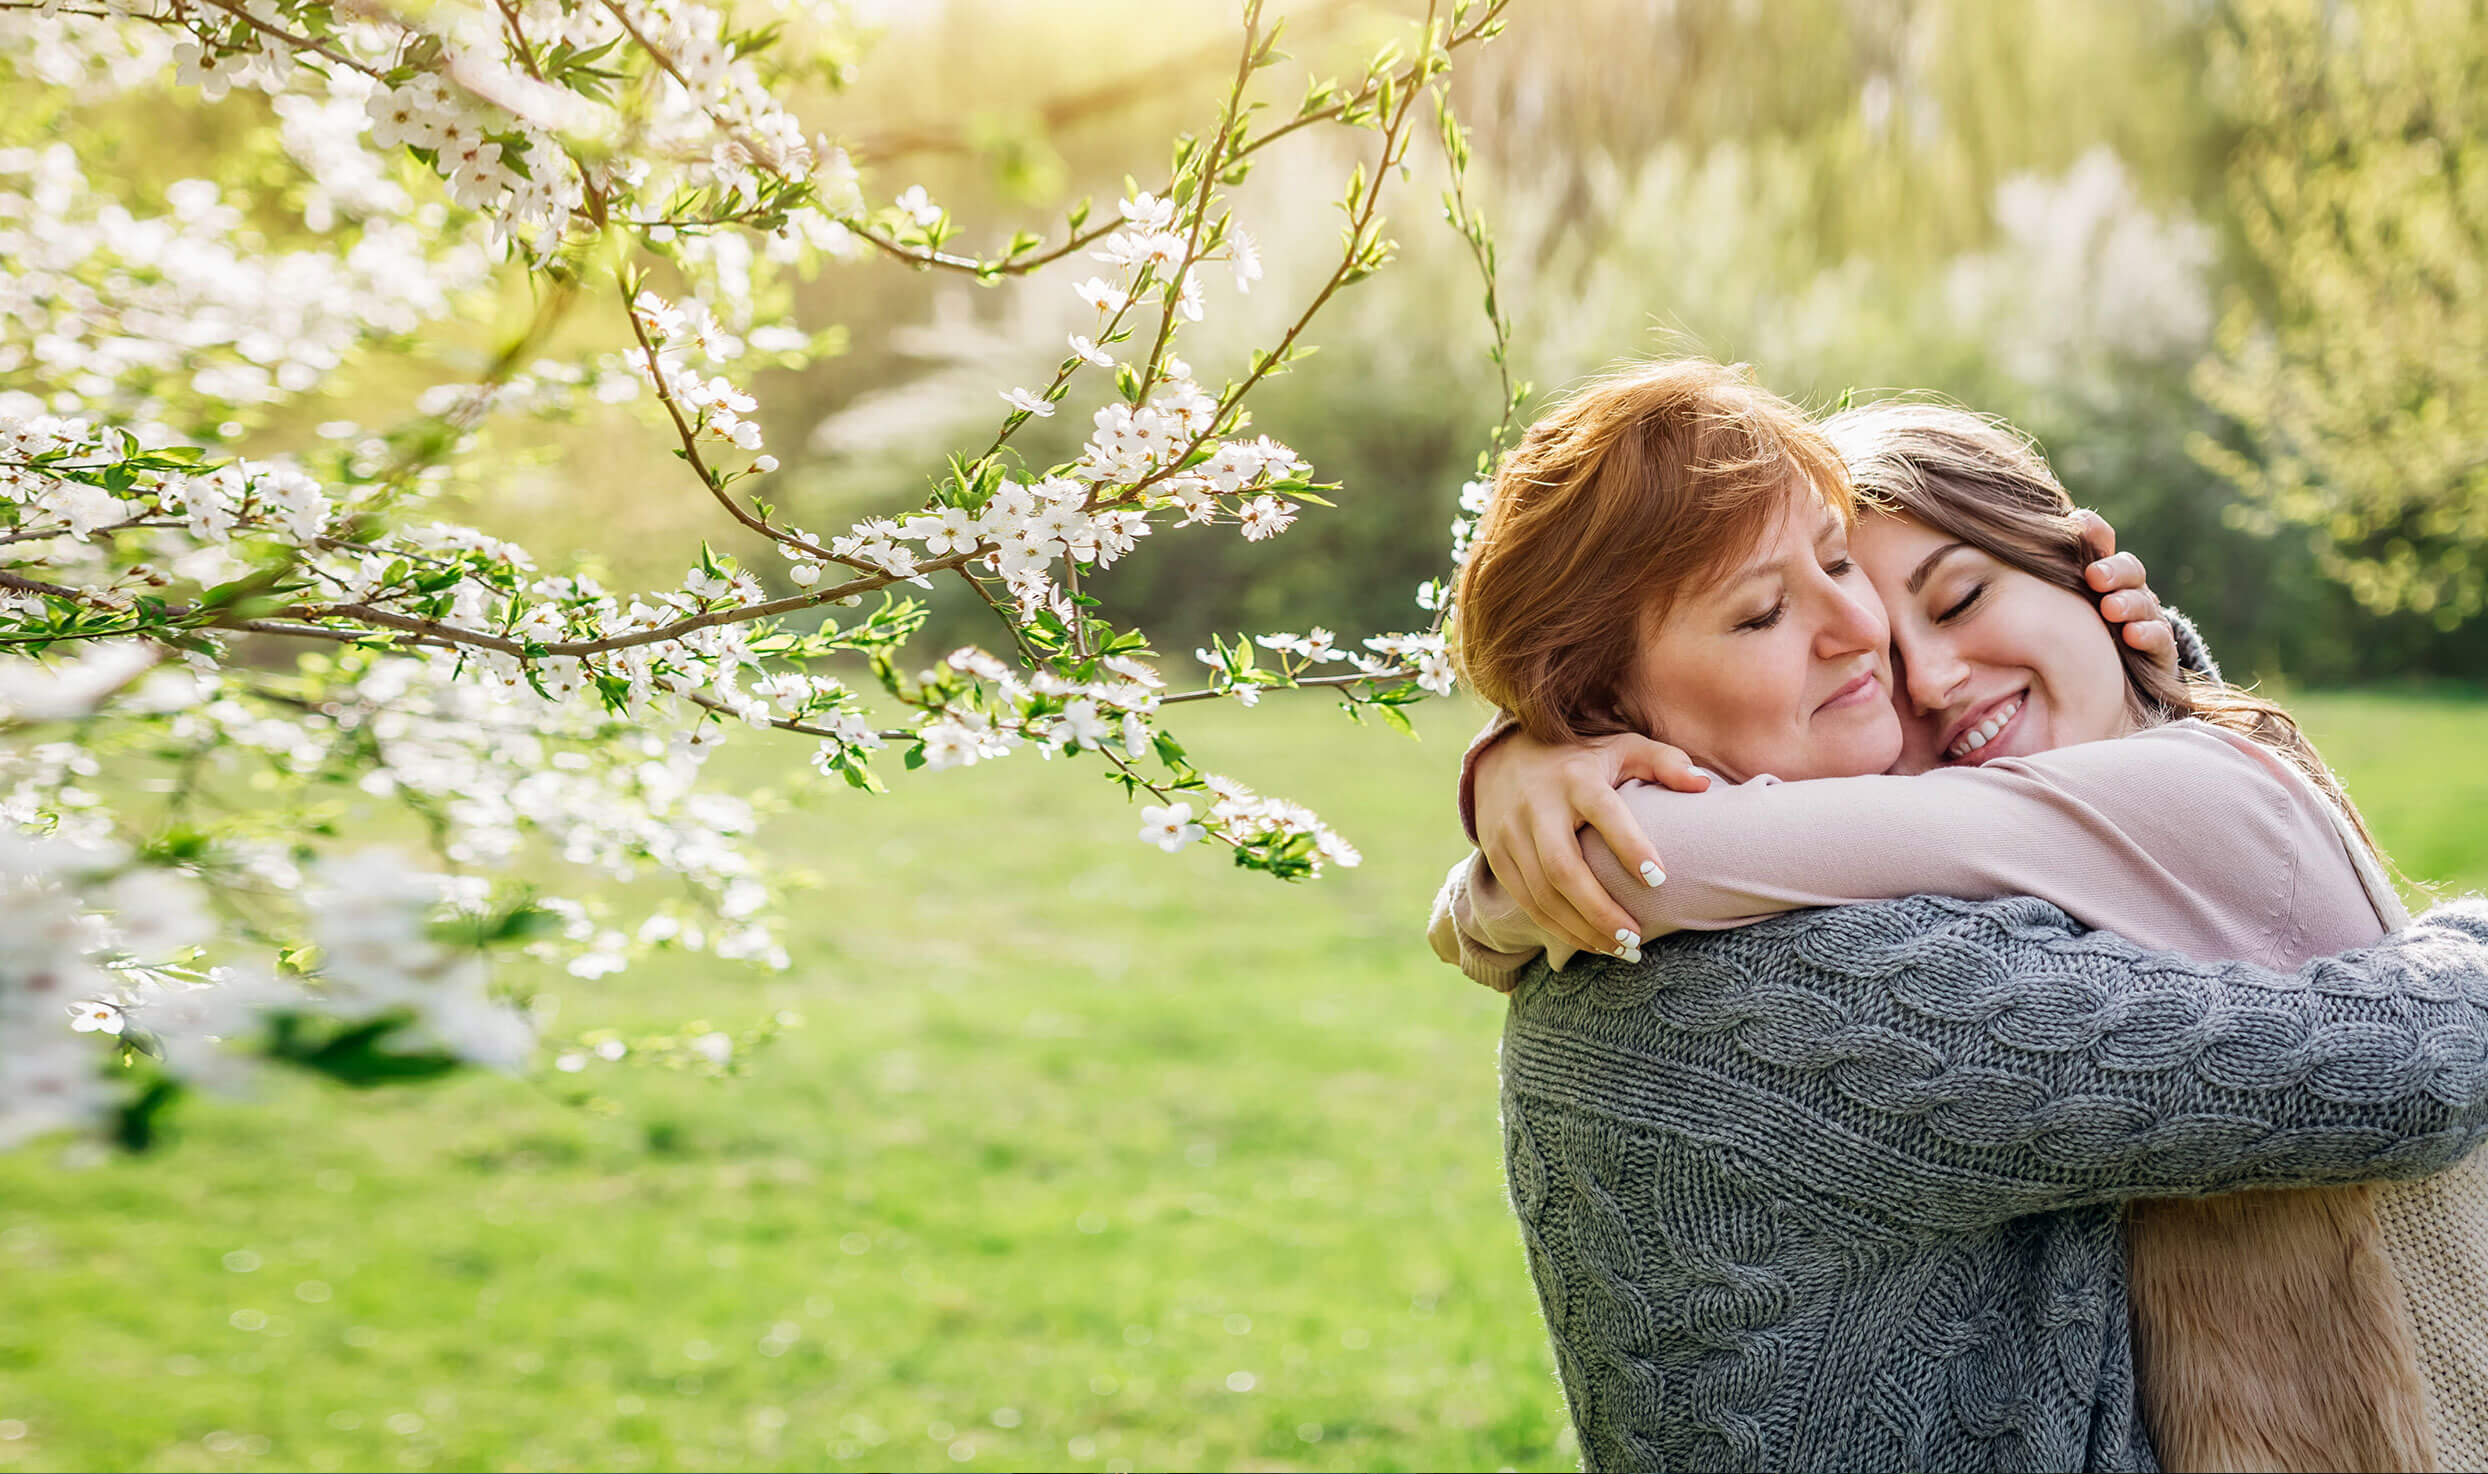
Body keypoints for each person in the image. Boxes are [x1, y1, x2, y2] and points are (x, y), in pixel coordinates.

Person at [1432, 359, 2488, 1472]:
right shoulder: (1817, 982)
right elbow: (2398, 1064)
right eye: (1760, 613)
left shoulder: (1655, 916)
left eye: (1837, 562)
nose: (1862, 635)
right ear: (1605, 708)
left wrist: (1518, 794)